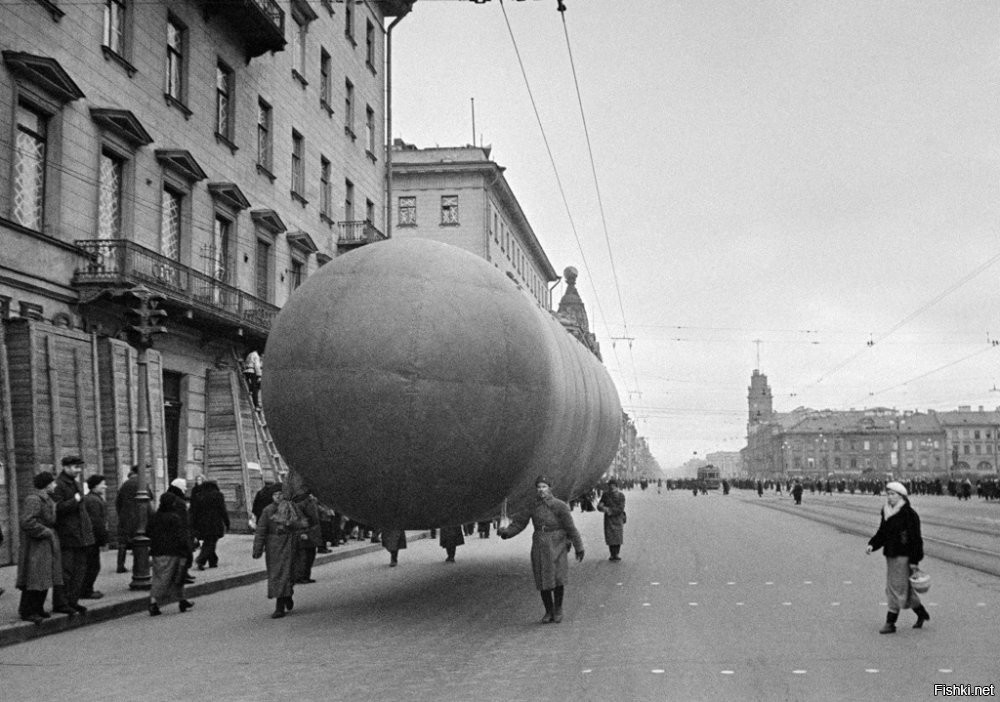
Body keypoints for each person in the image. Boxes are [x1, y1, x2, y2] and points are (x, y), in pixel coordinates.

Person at [498, 476, 584, 624]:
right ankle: (548, 610)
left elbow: (571, 528)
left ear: (550, 488)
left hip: (557, 543)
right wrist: (507, 533)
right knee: (542, 577)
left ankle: (558, 609)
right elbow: (520, 523)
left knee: (558, 578)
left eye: (544, 487)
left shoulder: (560, 506)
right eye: (538, 487)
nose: (541, 490)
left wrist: (579, 547)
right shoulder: (532, 505)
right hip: (540, 543)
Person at [866, 481, 930, 633]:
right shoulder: (886, 511)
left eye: (893, 494)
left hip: (904, 555)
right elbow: (882, 532)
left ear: (902, 496)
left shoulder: (909, 514)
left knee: (894, 588)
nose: (889, 497)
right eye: (888, 494)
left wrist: (914, 561)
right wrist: (872, 544)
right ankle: (921, 613)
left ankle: (890, 623)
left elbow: (916, 539)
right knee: (904, 588)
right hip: (891, 554)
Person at [252, 485, 305, 618]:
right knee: (278, 575)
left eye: (281, 494)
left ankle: (287, 595)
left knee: (290, 574)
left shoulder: (291, 508)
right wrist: (257, 549)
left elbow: (302, 524)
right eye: (275, 495)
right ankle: (279, 607)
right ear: (271, 497)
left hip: (291, 545)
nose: (278, 497)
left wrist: (293, 526)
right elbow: (261, 530)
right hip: (274, 548)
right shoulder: (268, 511)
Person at [15, 472, 61, 623]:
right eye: (53, 483)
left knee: (44, 576)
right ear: (47, 485)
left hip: (45, 544)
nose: (55, 485)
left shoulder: (46, 499)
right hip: (36, 545)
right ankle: (28, 611)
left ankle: (38, 608)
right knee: (35, 577)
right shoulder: (34, 499)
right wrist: (45, 531)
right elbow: (27, 522)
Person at [51, 455, 94, 615]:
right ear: (66, 467)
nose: (78, 470)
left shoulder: (75, 483)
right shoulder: (59, 485)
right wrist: (75, 500)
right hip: (67, 536)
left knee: (79, 571)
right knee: (66, 572)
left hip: (80, 535)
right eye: (76, 467)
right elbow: (57, 508)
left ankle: (72, 602)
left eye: (79, 467)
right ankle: (61, 603)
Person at [147, 491, 195, 616]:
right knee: (170, 577)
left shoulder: (154, 516)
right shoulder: (174, 518)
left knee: (167, 576)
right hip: (172, 552)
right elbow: (180, 537)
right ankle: (153, 603)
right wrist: (186, 550)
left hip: (157, 551)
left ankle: (182, 600)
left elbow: (148, 532)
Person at [190, 478, 230, 570]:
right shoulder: (218, 495)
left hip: (201, 524)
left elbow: (194, 511)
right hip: (214, 523)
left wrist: (193, 524)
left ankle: (213, 561)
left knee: (209, 541)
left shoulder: (199, 495)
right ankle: (201, 560)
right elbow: (223, 510)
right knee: (210, 542)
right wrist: (227, 522)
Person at [80, 474, 109, 599]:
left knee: (91, 565)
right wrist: (102, 538)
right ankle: (86, 590)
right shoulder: (93, 500)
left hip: (90, 538)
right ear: (95, 485)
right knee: (92, 566)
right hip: (92, 539)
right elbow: (96, 522)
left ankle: (86, 589)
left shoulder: (92, 498)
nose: (105, 486)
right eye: (102, 484)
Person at [115, 465, 142, 573]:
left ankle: (120, 565)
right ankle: (138, 565)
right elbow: (149, 497)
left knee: (122, 542)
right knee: (138, 541)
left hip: (124, 516)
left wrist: (121, 513)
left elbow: (118, 502)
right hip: (137, 516)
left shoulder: (125, 484)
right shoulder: (141, 483)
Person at [292, 489, 322, 583]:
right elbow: (300, 517)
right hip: (306, 531)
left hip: (312, 531)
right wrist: (302, 532)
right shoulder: (300, 501)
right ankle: (300, 577)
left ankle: (305, 576)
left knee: (310, 554)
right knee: (304, 555)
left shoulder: (310, 500)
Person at [597, 478, 626, 561]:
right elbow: (599, 505)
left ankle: (616, 554)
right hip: (609, 519)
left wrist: (609, 510)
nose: (612, 487)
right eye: (610, 485)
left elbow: (621, 508)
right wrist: (603, 508)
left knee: (618, 536)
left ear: (617, 486)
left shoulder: (621, 496)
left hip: (617, 518)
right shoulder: (605, 495)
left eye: (613, 486)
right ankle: (612, 554)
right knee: (610, 536)